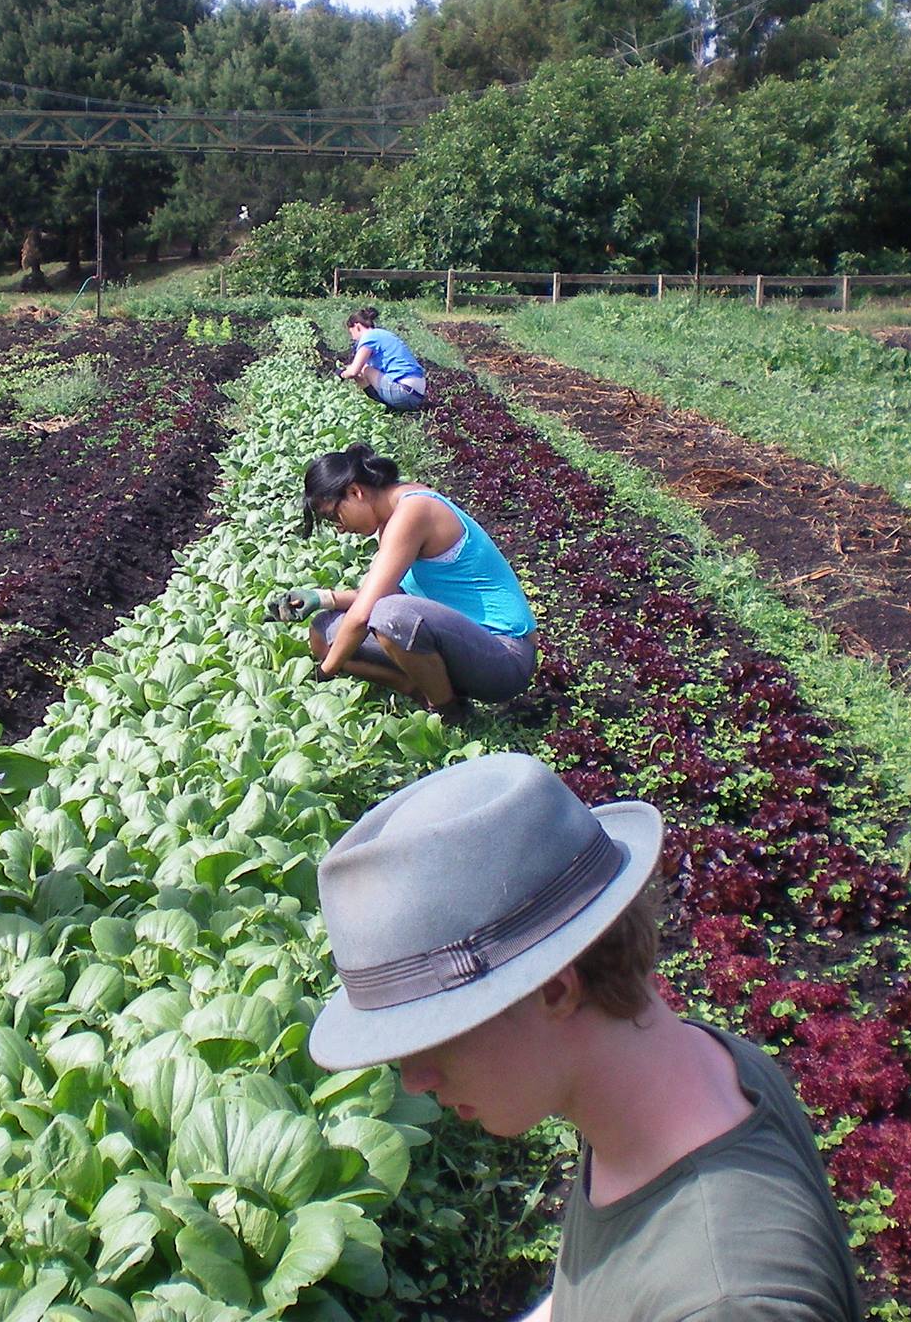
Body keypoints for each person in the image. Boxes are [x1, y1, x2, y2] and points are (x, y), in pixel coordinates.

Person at [310, 753, 865, 1322]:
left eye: (434, 1033)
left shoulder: (725, 1301)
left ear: (553, 992)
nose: (415, 1079)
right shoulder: (683, 1074)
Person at [267, 443, 536, 711]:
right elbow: (386, 597)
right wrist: (322, 598)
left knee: (390, 617)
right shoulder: (393, 515)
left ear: (355, 492)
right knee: (324, 631)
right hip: (459, 642)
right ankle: (417, 688)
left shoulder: (414, 511)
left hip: (505, 657)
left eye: (334, 516)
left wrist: (323, 675)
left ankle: (448, 710)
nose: (340, 529)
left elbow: (367, 613)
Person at [338, 306, 427, 410]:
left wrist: (341, 374)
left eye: (351, 332)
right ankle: (387, 406)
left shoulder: (368, 337)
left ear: (357, 327)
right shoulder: (382, 334)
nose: (353, 338)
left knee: (363, 369)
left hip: (404, 393)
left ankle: (382, 406)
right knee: (365, 368)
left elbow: (354, 371)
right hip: (416, 394)